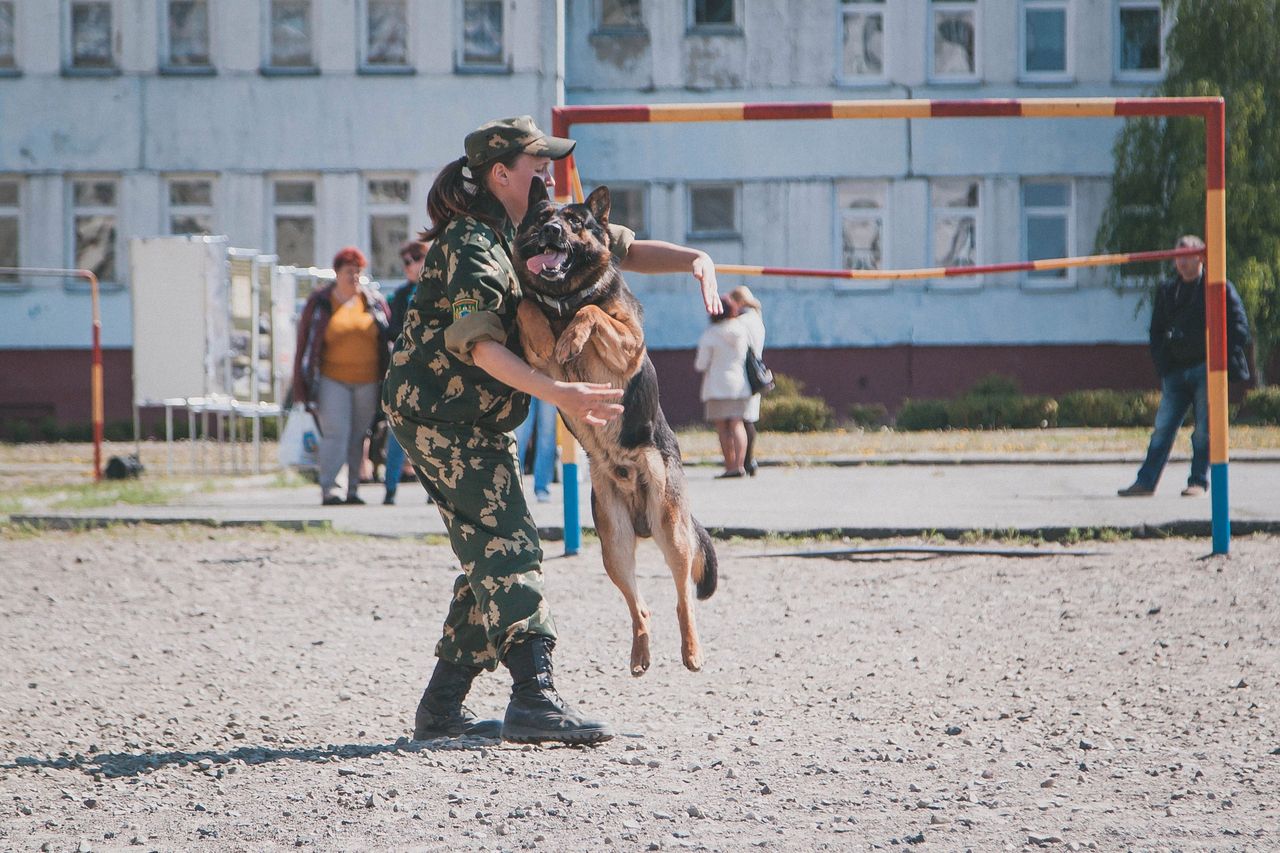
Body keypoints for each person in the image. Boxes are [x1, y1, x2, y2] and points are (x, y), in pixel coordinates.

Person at [383, 115, 720, 744]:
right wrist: (559, 392)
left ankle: (442, 706)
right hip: (438, 414)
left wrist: (695, 259)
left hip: (480, 417)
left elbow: (620, 248)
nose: (548, 173)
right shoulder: (472, 243)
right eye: (537, 164)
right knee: (510, 546)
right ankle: (534, 696)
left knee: (489, 555)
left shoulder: (537, 226)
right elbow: (481, 347)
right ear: (500, 173)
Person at [1118, 235, 1251, 497]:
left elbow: (1239, 328)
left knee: (1203, 432)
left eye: (1187, 256)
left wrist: (1219, 362)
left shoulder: (1218, 287)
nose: (1181, 262)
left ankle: (1198, 482)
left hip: (1206, 370)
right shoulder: (1168, 290)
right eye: (1178, 257)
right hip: (1175, 372)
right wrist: (1164, 365)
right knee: (1162, 429)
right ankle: (1145, 482)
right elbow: (1156, 331)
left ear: (1201, 257)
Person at [292, 246, 391, 506]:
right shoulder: (322, 302)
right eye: (349, 271)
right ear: (337, 273)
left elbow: (386, 338)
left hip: (368, 380)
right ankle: (331, 488)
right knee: (336, 432)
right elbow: (305, 342)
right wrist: (301, 382)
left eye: (358, 271)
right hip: (332, 379)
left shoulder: (372, 301)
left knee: (359, 434)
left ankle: (353, 489)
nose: (354, 276)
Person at [381, 239, 429, 505]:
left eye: (413, 260)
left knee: (431, 433)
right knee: (398, 430)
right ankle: (390, 488)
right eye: (406, 262)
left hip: (433, 371)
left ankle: (435, 491)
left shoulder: (441, 288)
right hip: (405, 370)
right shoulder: (401, 295)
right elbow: (391, 331)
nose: (409, 266)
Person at [695, 295, 751, 478]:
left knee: (722, 428)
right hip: (739, 384)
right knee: (737, 424)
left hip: (717, 385)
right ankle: (740, 465)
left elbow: (701, 364)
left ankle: (729, 466)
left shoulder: (711, 334)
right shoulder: (741, 330)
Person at [726, 284, 765, 476]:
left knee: (742, 419)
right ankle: (749, 460)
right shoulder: (757, 318)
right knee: (749, 417)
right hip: (756, 368)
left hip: (744, 371)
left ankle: (746, 460)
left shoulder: (742, 322)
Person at [513, 396, 558, 503]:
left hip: (550, 387)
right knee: (519, 434)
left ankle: (542, 487)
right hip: (525, 386)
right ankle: (513, 484)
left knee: (547, 435)